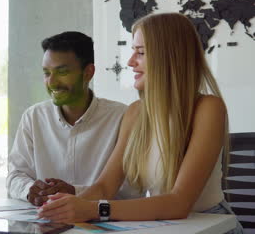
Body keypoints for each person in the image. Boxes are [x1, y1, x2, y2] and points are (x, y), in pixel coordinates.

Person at [38, 13, 243, 233]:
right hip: (163, 226)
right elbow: (105, 186)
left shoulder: (208, 108)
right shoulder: (135, 113)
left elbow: (179, 203)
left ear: (169, 56)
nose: (130, 62)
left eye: (141, 52)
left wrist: (92, 209)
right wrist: (63, 207)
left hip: (211, 225)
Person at [7, 31, 141, 206]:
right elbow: (15, 175)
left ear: (88, 72)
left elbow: (131, 190)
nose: (52, 82)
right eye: (47, 73)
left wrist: (74, 193)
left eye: (62, 72)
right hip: (45, 222)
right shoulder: (34, 117)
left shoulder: (122, 118)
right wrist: (30, 189)